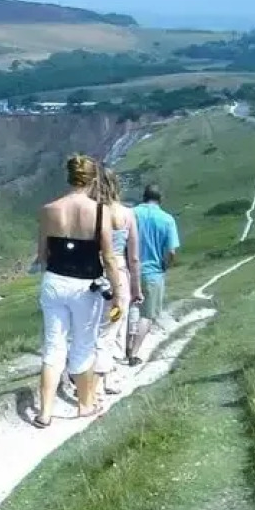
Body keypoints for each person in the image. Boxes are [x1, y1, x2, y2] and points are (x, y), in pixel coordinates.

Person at [35, 154, 120, 428]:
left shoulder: (49, 209)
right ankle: (85, 405)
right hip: (86, 285)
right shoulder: (100, 211)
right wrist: (117, 291)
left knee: (53, 345)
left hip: (54, 280)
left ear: (69, 177)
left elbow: (42, 254)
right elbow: (107, 256)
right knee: (83, 344)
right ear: (93, 179)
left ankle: (44, 412)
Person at [94, 169, 142, 394]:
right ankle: (105, 378)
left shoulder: (92, 212)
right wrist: (136, 288)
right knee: (113, 325)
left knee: (92, 326)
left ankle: (85, 378)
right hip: (119, 275)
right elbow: (133, 256)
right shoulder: (127, 214)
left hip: (93, 275)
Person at [126, 183, 180, 365]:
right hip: (153, 272)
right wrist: (166, 265)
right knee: (147, 314)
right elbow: (171, 251)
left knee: (129, 308)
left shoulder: (131, 213)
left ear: (144, 196)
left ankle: (123, 345)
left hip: (128, 269)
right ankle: (133, 353)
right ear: (160, 199)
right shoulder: (167, 219)